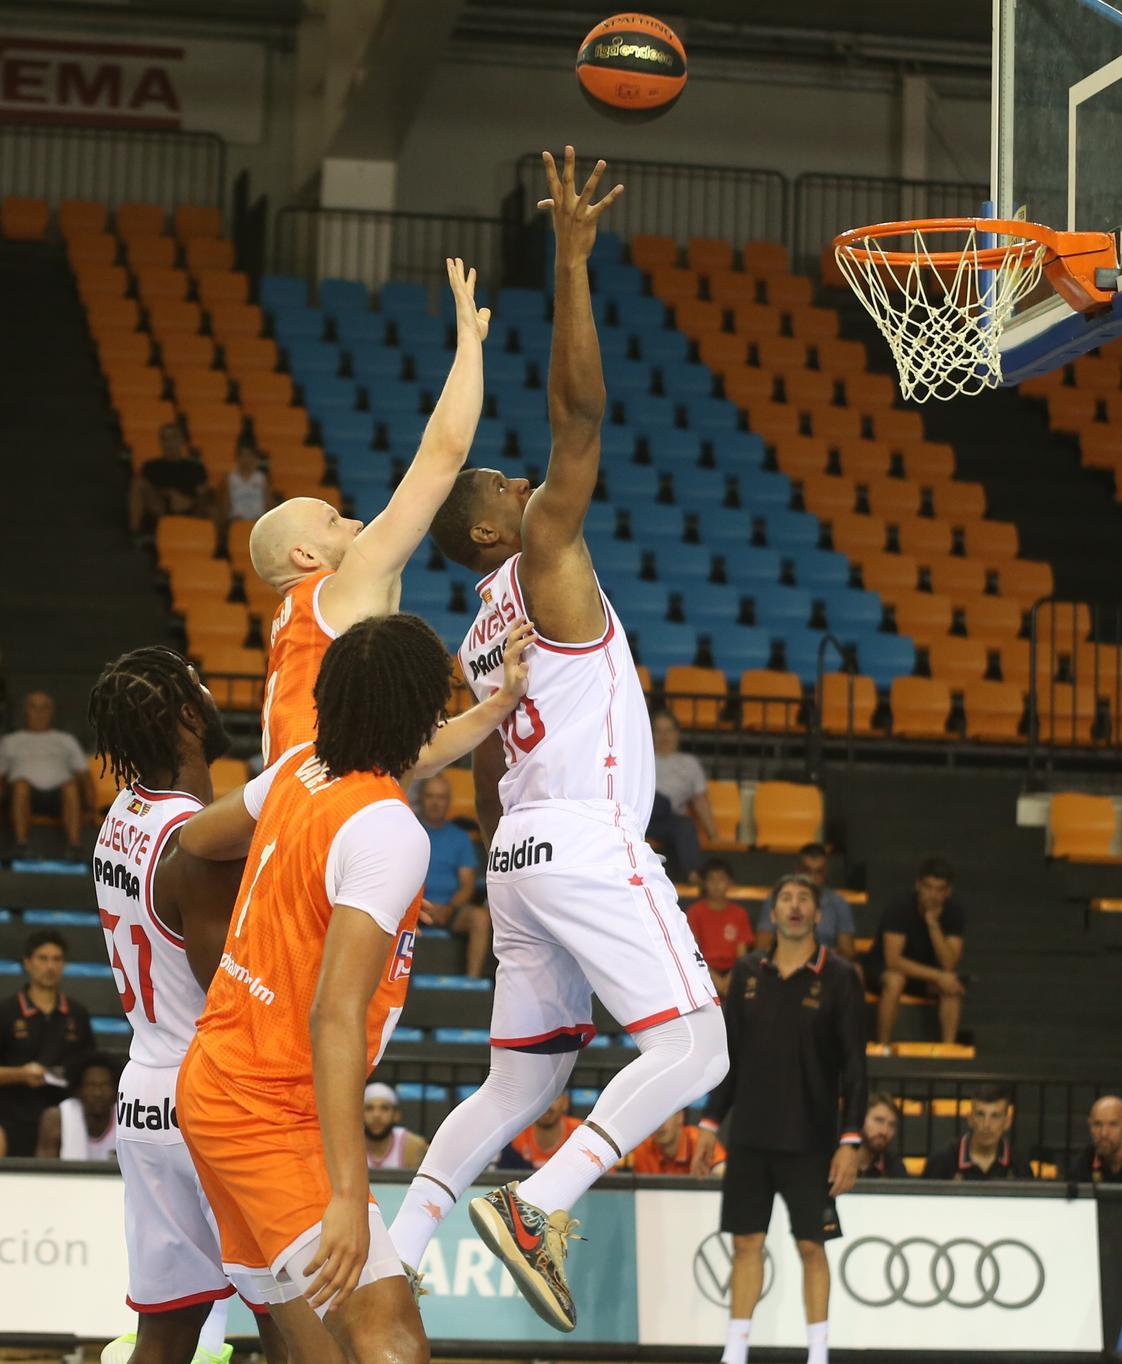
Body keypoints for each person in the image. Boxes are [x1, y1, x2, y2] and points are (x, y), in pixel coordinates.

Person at [389, 147, 728, 1337]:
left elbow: (482, 767)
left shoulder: (477, 630)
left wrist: (509, 859)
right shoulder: (539, 554)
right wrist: (573, 263)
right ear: (495, 522)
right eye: (511, 483)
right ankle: (540, 1201)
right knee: (697, 1047)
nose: (530, 481)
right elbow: (580, 413)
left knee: (521, 1077)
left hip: (518, 847)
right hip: (581, 832)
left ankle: (397, 1248)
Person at [174, 612, 529, 1363]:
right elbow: (334, 1016)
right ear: (416, 711)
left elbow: (197, 840)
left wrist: (495, 709)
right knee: (389, 1337)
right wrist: (346, 1193)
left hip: (213, 1080)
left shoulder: (302, 766)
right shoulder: (390, 832)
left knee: (319, 1357)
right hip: (273, 1110)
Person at [88, 645, 291, 1364]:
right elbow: (230, 991)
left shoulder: (120, 817)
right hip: (209, 1091)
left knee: (167, 1335)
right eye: (202, 690)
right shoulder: (196, 841)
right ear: (184, 714)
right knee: (290, 1326)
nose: (212, 699)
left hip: (144, 1094)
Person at [252, 257, 489, 766]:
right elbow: (443, 454)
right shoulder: (341, 590)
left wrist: (502, 703)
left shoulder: (295, 641)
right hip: (327, 814)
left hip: (289, 816)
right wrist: (469, 343)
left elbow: (410, 755)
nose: (357, 523)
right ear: (305, 554)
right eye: (334, 520)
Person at [693, 874, 867, 1364]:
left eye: (804, 899)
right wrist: (709, 1126)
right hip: (749, 1135)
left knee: (813, 1247)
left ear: (818, 913)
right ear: (772, 913)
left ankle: (817, 1354)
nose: (794, 906)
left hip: (811, 1139)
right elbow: (728, 1059)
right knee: (746, 1243)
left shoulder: (840, 976)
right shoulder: (747, 972)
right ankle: (735, 1352)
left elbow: (856, 1065)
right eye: (785, 898)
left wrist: (850, 1140)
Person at [0, 929, 95, 1156]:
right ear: (28, 963)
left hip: (64, 1118)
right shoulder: (6, 1011)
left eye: (57, 959)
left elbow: (89, 1069)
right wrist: (21, 1074)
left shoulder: (77, 1013)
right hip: (9, 1114)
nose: (50, 966)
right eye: (43, 959)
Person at [860, 856, 965, 1049]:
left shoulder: (954, 913)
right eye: (928, 887)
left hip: (922, 974)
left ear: (948, 892)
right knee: (896, 979)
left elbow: (949, 963)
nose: (932, 895)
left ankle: (948, 1051)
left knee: (951, 986)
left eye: (939, 889)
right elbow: (893, 961)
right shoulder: (899, 907)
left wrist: (933, 924)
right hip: (881, 968)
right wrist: (939, 976)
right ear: (918, 885)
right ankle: (883, 1047)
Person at [0, 691, 95, 857]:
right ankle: (21, 845)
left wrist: (92, 808)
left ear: (51, 712)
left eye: (44, 708)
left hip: (58, 796)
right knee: (21, 785)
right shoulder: (10, 741)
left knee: (70, 786)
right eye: (34, 707)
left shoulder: (66, 740)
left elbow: (84, 778)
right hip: (21, 795)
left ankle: (75, 846)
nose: (39, 713)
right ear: (25, 711)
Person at [415, 775, 490, 977]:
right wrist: (418, 906)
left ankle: (470, 985)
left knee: (480, 918)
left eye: (441, 797)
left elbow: (467, 885)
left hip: (450, 909)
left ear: (449, 801)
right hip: (412, 909)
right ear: (421, 799)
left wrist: (449, 908)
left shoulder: (460, 837)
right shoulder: (410, 831)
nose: (436, 802)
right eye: (430, 796)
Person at [755, 843, 856, 961]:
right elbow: (761, 947)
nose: (812, 878)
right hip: (784, 961)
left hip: (826, 965)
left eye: (818, 872)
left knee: (855, 970)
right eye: (807, 871)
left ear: (825, 873)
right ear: (797, 870)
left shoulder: (838, 903)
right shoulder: (777, 898)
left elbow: (848, 953)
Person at [647, 711, 716, 882]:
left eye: (668, 731)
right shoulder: (643, 758)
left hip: (668, 818)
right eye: (658, 731)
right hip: (641, 817)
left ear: (677, 733)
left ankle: (693, 875)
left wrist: (713, 834)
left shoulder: (689, 763)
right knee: (655, 800)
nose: (663, 736)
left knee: (685, 824)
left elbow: (699, 799)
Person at [923, 1085, 1033, 1181]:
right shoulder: (943, 1160)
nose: (986, 1124)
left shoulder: (1019, 1164)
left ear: (1007, 1122)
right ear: (970, 1119)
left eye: (995, 1116)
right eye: (980, 1114)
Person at [686, 858, 754, 1000]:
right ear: (703, 883)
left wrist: (729, 981)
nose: (716, 885)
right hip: (702, 971)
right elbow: (692, 951)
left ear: (730, 883)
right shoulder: (695, 912)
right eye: (711, 879)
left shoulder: (739, 913)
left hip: (734, 974)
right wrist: (715, 980)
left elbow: (742, 956)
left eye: (721, 879)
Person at [129, 422, 213, 536]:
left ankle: (211, 543)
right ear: (161, 442)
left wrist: (187, 502)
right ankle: (134, 536)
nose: (169, 443)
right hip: (161, 509)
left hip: (190, 509)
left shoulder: (195, 467)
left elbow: (204, 495)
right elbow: (148, 493)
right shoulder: (151, 466)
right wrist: (168, 494)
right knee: (137, 483)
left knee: (211, 507)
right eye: (165, 439)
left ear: (182, 441)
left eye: (174, 437)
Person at [36, 1052, 120, 1160]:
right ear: (78, 1089)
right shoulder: (56, 1118)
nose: (97, 1093)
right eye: (91, 1086)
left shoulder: (126, 1116)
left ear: (116, 1088)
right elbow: (43, 1171)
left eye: (105, 1085)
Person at [630, 1108, 726, 1177]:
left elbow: (723, 1172)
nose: (659, 1124)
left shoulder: (699, 1142)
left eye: (665, 1115)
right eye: (653, 1118)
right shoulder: (642, 1150)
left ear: (680, 1116)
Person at [498, 1093, 582, 1171]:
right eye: (539, 1098)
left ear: (565, 1102)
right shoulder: (515, 1137)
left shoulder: (582, 1133)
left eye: (553, 1098)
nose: (546, 1106)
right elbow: (502, 1180)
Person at [218, 439, 274, 542]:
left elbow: (269, 505)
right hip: (236, 522)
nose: (246, 459)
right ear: (237, 458)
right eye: (243, 455)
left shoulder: (261, 478)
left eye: (249, 455)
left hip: (258, 522)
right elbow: (224, 506)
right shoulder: (230, 479)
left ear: (255, 458)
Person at [364, 1083, 428, 1171]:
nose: (376, 1115)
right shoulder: (350, 1146)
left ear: (396, 1115)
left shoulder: (411, 1145)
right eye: (369, 1108)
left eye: (384, 1108)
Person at [856, 1093, 907, 1179]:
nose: (884, 1131)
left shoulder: (893, 1166)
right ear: (860, 1118)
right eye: (879, 1120)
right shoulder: (834, 1158)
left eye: (892, 1125)